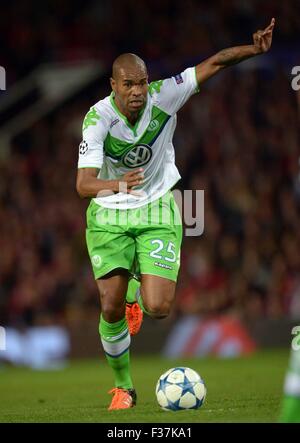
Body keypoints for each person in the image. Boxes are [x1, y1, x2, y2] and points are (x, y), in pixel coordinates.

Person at [76, 18, 275, 410]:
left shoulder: (164, 95)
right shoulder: (97, 120)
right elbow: (83, 185)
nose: (137, 91)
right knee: (110, 307)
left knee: (159, 308)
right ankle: (124, 388)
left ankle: (138, 292)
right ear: (113, 86)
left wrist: (254, 49)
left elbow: (214, 63)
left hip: (157, 207)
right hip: (110, 214)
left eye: (141, 82)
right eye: (128, 84)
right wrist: (117, 185)